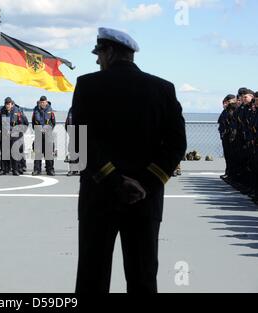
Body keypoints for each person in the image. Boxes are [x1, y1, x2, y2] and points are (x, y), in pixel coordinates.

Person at [72, 28, 186, 293]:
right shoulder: (163, 89)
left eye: (99, 54)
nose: (98, 61)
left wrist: (113, 180)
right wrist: (144, 183)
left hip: (99, 196)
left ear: (110, 52)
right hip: (145, 199)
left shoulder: (87, 85)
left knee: (92, 276)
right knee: (143, 277)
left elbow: (79, 141)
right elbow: (176, 144)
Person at [0, 97, 29, 176]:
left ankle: (15, 170)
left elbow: (26, 123)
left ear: (12, 104)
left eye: (9, 104)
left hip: (15, 136)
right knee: (4, 153)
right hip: (5, 135)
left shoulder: (18, 111)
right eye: (6, 104)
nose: (7, 106)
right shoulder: (2, 111)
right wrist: (2, 128)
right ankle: (4, 170)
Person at [32, 96, 56, 176]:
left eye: (44, 102)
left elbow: (53, 122)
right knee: (38, 153)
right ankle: (37, 170)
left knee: (48, 153)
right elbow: (33, 123)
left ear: (46, 102)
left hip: (47, 135)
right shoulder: (35, 110)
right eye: (41, 102)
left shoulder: (50, 110)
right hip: (39, 134)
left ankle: (50, 170)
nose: (42, 103)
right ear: (39, 102)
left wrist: (48, 129)